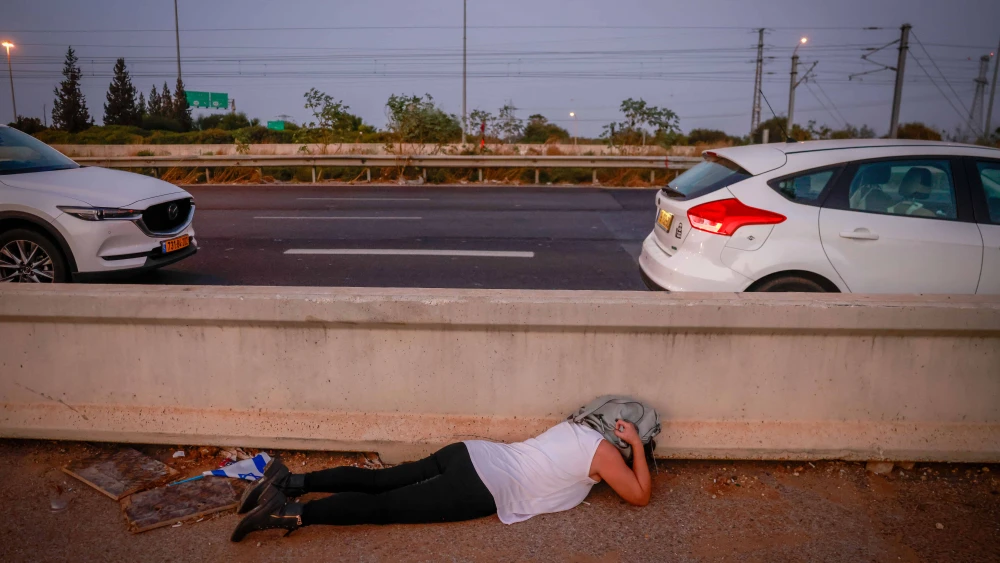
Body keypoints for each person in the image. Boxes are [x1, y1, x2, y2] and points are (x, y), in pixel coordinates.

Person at [231, 419, 654, 542]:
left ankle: (289, 481)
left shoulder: (574, 427)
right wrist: (634, 446)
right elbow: (639, 497)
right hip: (482, 486)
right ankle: (290, 514)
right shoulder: (604, 454)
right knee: (385, 510)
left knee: (383, 482)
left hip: (472, 451)